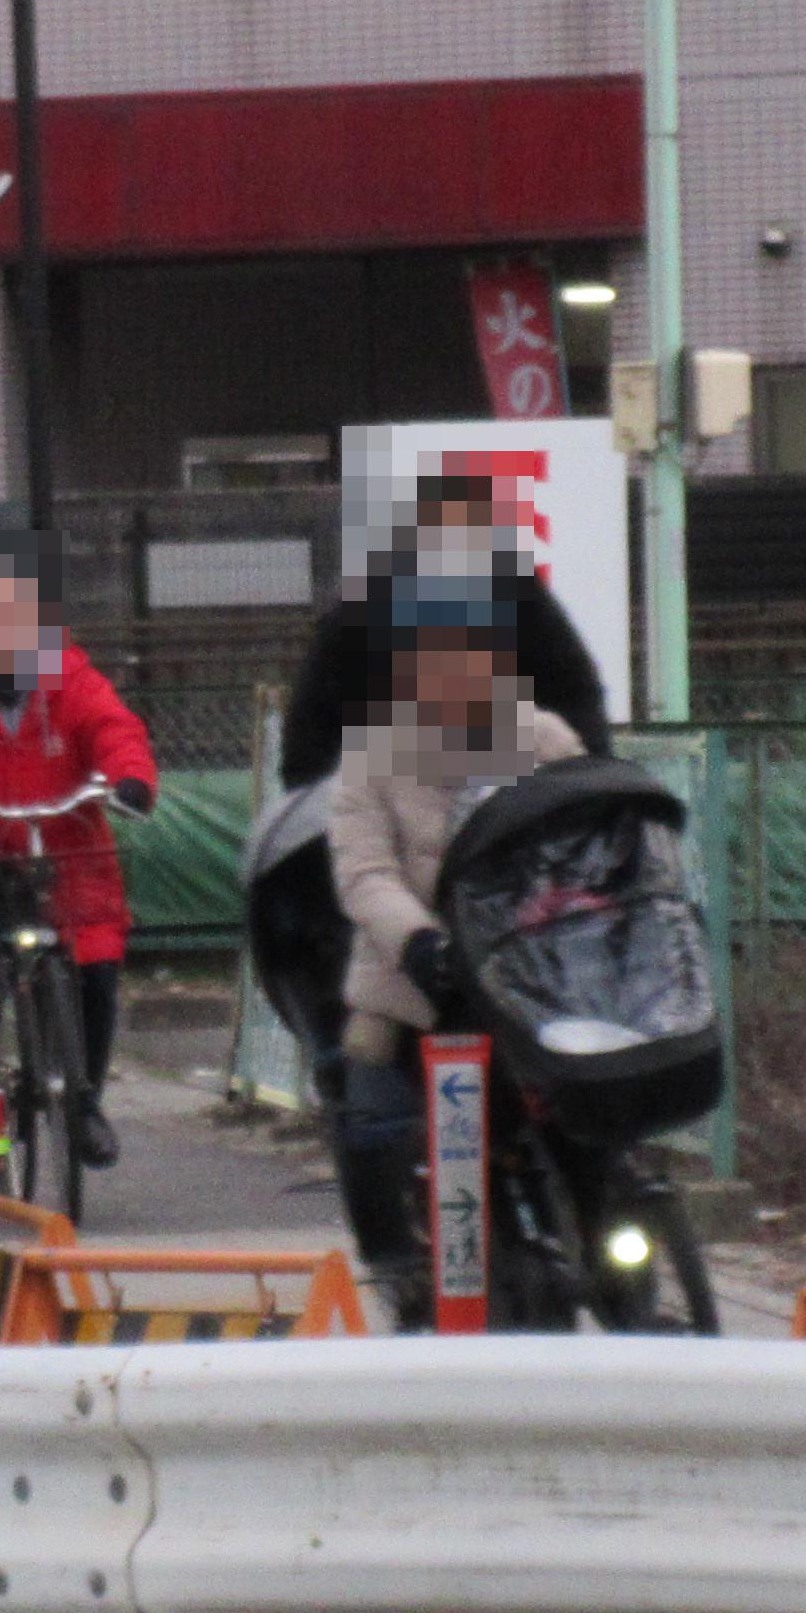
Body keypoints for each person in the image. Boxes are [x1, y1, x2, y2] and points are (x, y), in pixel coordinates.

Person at [311, 535, 595, 1315]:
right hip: (412, 984)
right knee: (372, 1117)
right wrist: (419, 939)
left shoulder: (544, 740)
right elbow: (364, 873)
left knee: (592, 1117)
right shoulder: (371, 756)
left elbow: (586, 842)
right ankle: (396, 1260)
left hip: (529, 981)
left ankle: (619, 1255)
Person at [0, 568, 159, 1172]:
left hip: (66, 854)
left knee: (97, 964)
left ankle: (85, 1100)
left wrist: (129, 780)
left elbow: (114, 729)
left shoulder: (70, 679)